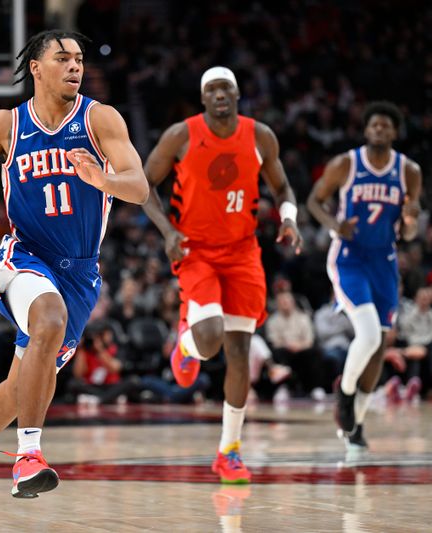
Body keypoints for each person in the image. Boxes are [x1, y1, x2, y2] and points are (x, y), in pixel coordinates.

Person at [0, 30, 148, 508]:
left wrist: (102, 178)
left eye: (79, 59)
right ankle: (29, 457)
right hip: (25, 256)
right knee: (48, 318)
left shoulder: (101, 118)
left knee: (20, 387)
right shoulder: (6, 124)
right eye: (62, 58)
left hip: (80, 274)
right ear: (37, 68)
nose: (75, 66)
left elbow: (139, 187)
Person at [142, 66, 302, 483]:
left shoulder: (260, 136)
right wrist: (167, 231)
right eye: (211, 89)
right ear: (202, 98)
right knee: (210, 339)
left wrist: (289, 218)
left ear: (236, 94)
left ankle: (229, 451)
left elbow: (282, 187)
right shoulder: (181, 135)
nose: (219, 95)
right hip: (197, 250)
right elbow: (144, 185)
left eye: (226, 88)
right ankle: (187, 346)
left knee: (239, 352)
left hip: (244, 251)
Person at [307, 101, 422, 454]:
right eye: (374, 124)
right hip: (348, 258)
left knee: (379, 346)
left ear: (395, 132)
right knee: (368, 332)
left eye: (386, 125)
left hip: (384, 260)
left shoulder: (409, 171)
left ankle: (354, 425)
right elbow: (313, 200)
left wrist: (412, 222)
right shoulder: (346, 164)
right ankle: (344, 394)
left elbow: (410, 230)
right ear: (366, 129)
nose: (379, 130)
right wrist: (334, 226)